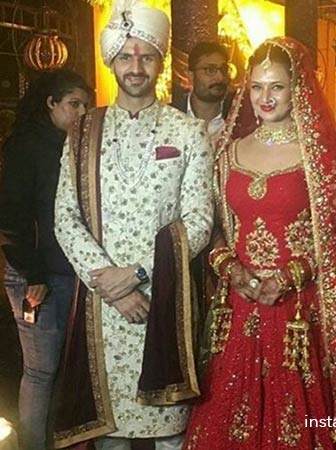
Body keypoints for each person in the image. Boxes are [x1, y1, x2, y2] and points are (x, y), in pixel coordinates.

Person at [182, 37, 336, 450]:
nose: (265, 97)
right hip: (241, 304)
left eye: (277, 86)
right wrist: (231, 268)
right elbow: (216, 228)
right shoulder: (228, 152)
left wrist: (288, 276)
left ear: (296, 87)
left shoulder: (320, 156)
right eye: (257, 86)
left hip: (300, 309)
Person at [52, 1, 214, 450]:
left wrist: (138, 273)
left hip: (165, 299)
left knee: (171, 433)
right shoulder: (83, 131)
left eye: (147, 56)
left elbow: (199, 220)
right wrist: (113, 286)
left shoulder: (188, 132)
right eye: (126, 56)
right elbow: (65, 216)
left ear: (161, 61)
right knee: (111, 435)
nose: (136, 67)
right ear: (112, 61)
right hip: (104, 305)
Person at [0, 69, 89, 450]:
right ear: (50, 103)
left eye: (85, 105)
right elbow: (11, 218)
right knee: (40, 371)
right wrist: (33, 273)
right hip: (36, 275)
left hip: (64, 271)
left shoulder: (66, 145)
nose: (81, 113)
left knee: (60, 369)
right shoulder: (28, 146)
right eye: (73, 104)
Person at [173, 42, 232, 147]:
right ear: (191, 76)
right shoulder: (170, 116)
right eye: (210, 70)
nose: (220, 77)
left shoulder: (238, 117)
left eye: (224, 70)